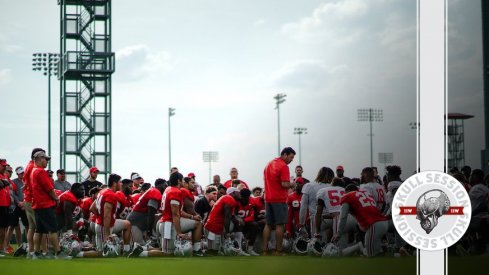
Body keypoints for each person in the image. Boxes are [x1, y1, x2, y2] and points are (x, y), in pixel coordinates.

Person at [30, 151, 71, 259]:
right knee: (53, 229)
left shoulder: (33, 171)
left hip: (37, 205)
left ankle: (36, 253)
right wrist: (56, 198)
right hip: (45, 204)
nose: (47, 161)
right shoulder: (41, 172)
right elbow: (49, 189)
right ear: (39, 159)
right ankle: (58, 253)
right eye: (45, 159)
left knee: (39, 230)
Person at [332, 184, 388, 257]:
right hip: (383, 223)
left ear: (347, 191)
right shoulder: (366, 194)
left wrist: (338, 234)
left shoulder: (347, 196)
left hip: (374, 225)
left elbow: (343, 217)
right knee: (378, 255)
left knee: (370, 256)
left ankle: (358, 248)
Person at [158, 172, 204, 256]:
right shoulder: (175, 192)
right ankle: (143, 252)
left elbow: (179, 212)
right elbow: (175, 214)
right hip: (168, 224)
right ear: (179, 181)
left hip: (167, 222)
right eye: (182, 180)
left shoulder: (169, 189)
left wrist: (192, 217)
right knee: (167, 254)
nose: (184, 181)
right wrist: (179, 234)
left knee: (197, 223)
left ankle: (197, 250)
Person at [262, 147, 296, 255]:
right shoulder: (283, 166)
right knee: (280, 225)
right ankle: (278, 250)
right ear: (285, 155)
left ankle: (264, 250)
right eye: (291, 157)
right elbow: (284, 184)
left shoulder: (269, 163)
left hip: (268, 198)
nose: (292, 160)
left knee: (268, 224)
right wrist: (293, 184)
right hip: (279, 198)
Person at [91, 173, 132, 255]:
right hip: (104, 226)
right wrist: (108, 234)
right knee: (102, 253)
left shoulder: (102, 191)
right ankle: (79, 253)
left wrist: (99, 217)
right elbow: (106, 216)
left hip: (100, 224)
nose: (121, 184)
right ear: (114, 183)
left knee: (127, 224)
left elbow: (92, 208)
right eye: (119, 182)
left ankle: (127, 250)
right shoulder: (110, 195)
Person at [127, 178, 166, 246]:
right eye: (165, 186)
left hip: (139, 221)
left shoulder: (153, 191)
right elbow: (151, 212)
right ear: (160, 186)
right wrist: (149, 231)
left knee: (142, 247)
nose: (166, 188)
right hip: (135, 223)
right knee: (138, 247)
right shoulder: (155, 192)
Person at [299, 167, 334, 238]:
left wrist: (302, 223)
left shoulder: (309, 186)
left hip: (317, 218)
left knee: (317, 245)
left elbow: (303, 207)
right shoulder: (333, 186)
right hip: (333, 218)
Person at [204, 187, 241, 254]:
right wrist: (227, 232)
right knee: (213, 251)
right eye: (238, 192)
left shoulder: (228, 198)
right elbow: (227, 217)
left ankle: (206, 245)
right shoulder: (229, 199)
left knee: (217, 250)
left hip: (216, 227)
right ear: (233, 193)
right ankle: (199, 245)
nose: (239, 193)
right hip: (212, 228)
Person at [0, 158, 11, 257]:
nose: (4, 167)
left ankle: (2, 248)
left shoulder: (4, 176)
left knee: (4, 229)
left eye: (5, 166)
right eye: (3, 166)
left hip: (5, 205)